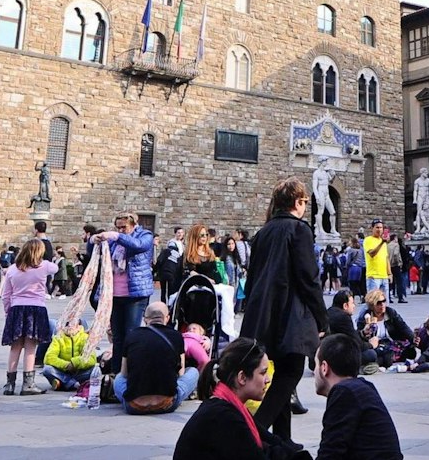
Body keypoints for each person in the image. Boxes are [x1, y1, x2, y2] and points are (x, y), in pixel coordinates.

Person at [240, 178, 323, 447]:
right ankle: (255, 431)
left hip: (262, 312)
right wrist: (322, 318)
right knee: (291, 372)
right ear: (298, 202)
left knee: (280, 375)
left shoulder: (264, 232)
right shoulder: (299, 229)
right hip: (290, 312)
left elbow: (251, 277)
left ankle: (282, 439)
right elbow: (308, 278)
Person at [171, 338, 298, 460]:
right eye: (263, 372)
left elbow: (271, 441)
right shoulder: (222, 416)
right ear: (242, 377)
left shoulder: (229, 406)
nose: (268, 379)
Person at [313, 332, 402, 460]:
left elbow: (330, 453)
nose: (314, 372)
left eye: (315, 364)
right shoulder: (361, 387)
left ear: (324, 368)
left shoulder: (344, 392)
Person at [113, 302, 199, 412]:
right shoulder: (176, 336)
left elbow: (124, 373)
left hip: (134, 405)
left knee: (118, 379)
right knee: (193, 372)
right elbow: (180, 373)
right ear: (167, 318)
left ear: (145, 319)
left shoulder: (132, 335)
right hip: (166, 403)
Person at [98, 212, 156, 375]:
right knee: (117, 337)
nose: (121, 230)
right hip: (115, 294)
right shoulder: (115, 241)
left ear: (133, 224)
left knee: (131, 334)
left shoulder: (145, 235)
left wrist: (116, 236)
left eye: (124, 227)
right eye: (118, 227)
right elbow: (100, 253)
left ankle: (131, 372)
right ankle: (115, 374)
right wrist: (94, 241)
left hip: (135, 294)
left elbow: (138, 245)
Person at [0, 239, 55, 396]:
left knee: (15, 347)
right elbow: (55, 268)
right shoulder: (44, 266)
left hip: (16, 308)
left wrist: (7, 311)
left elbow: (6, 295)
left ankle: (9, 384)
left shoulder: (13, 269)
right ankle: (28, 384)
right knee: (31, 347)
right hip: (36, 307)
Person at [39, 316, 98, 394]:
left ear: (79, 325)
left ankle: (63, 383)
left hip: (80, 372)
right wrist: (66, 365)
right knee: (47, 369)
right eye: (67, 324)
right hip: (63, 371)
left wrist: (74, 363)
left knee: (95, 370)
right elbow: (49, 358)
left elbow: (92, 359)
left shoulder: (85, 338)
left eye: (73, 323)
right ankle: (73, 384)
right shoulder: (58, 338)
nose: (69, 326)